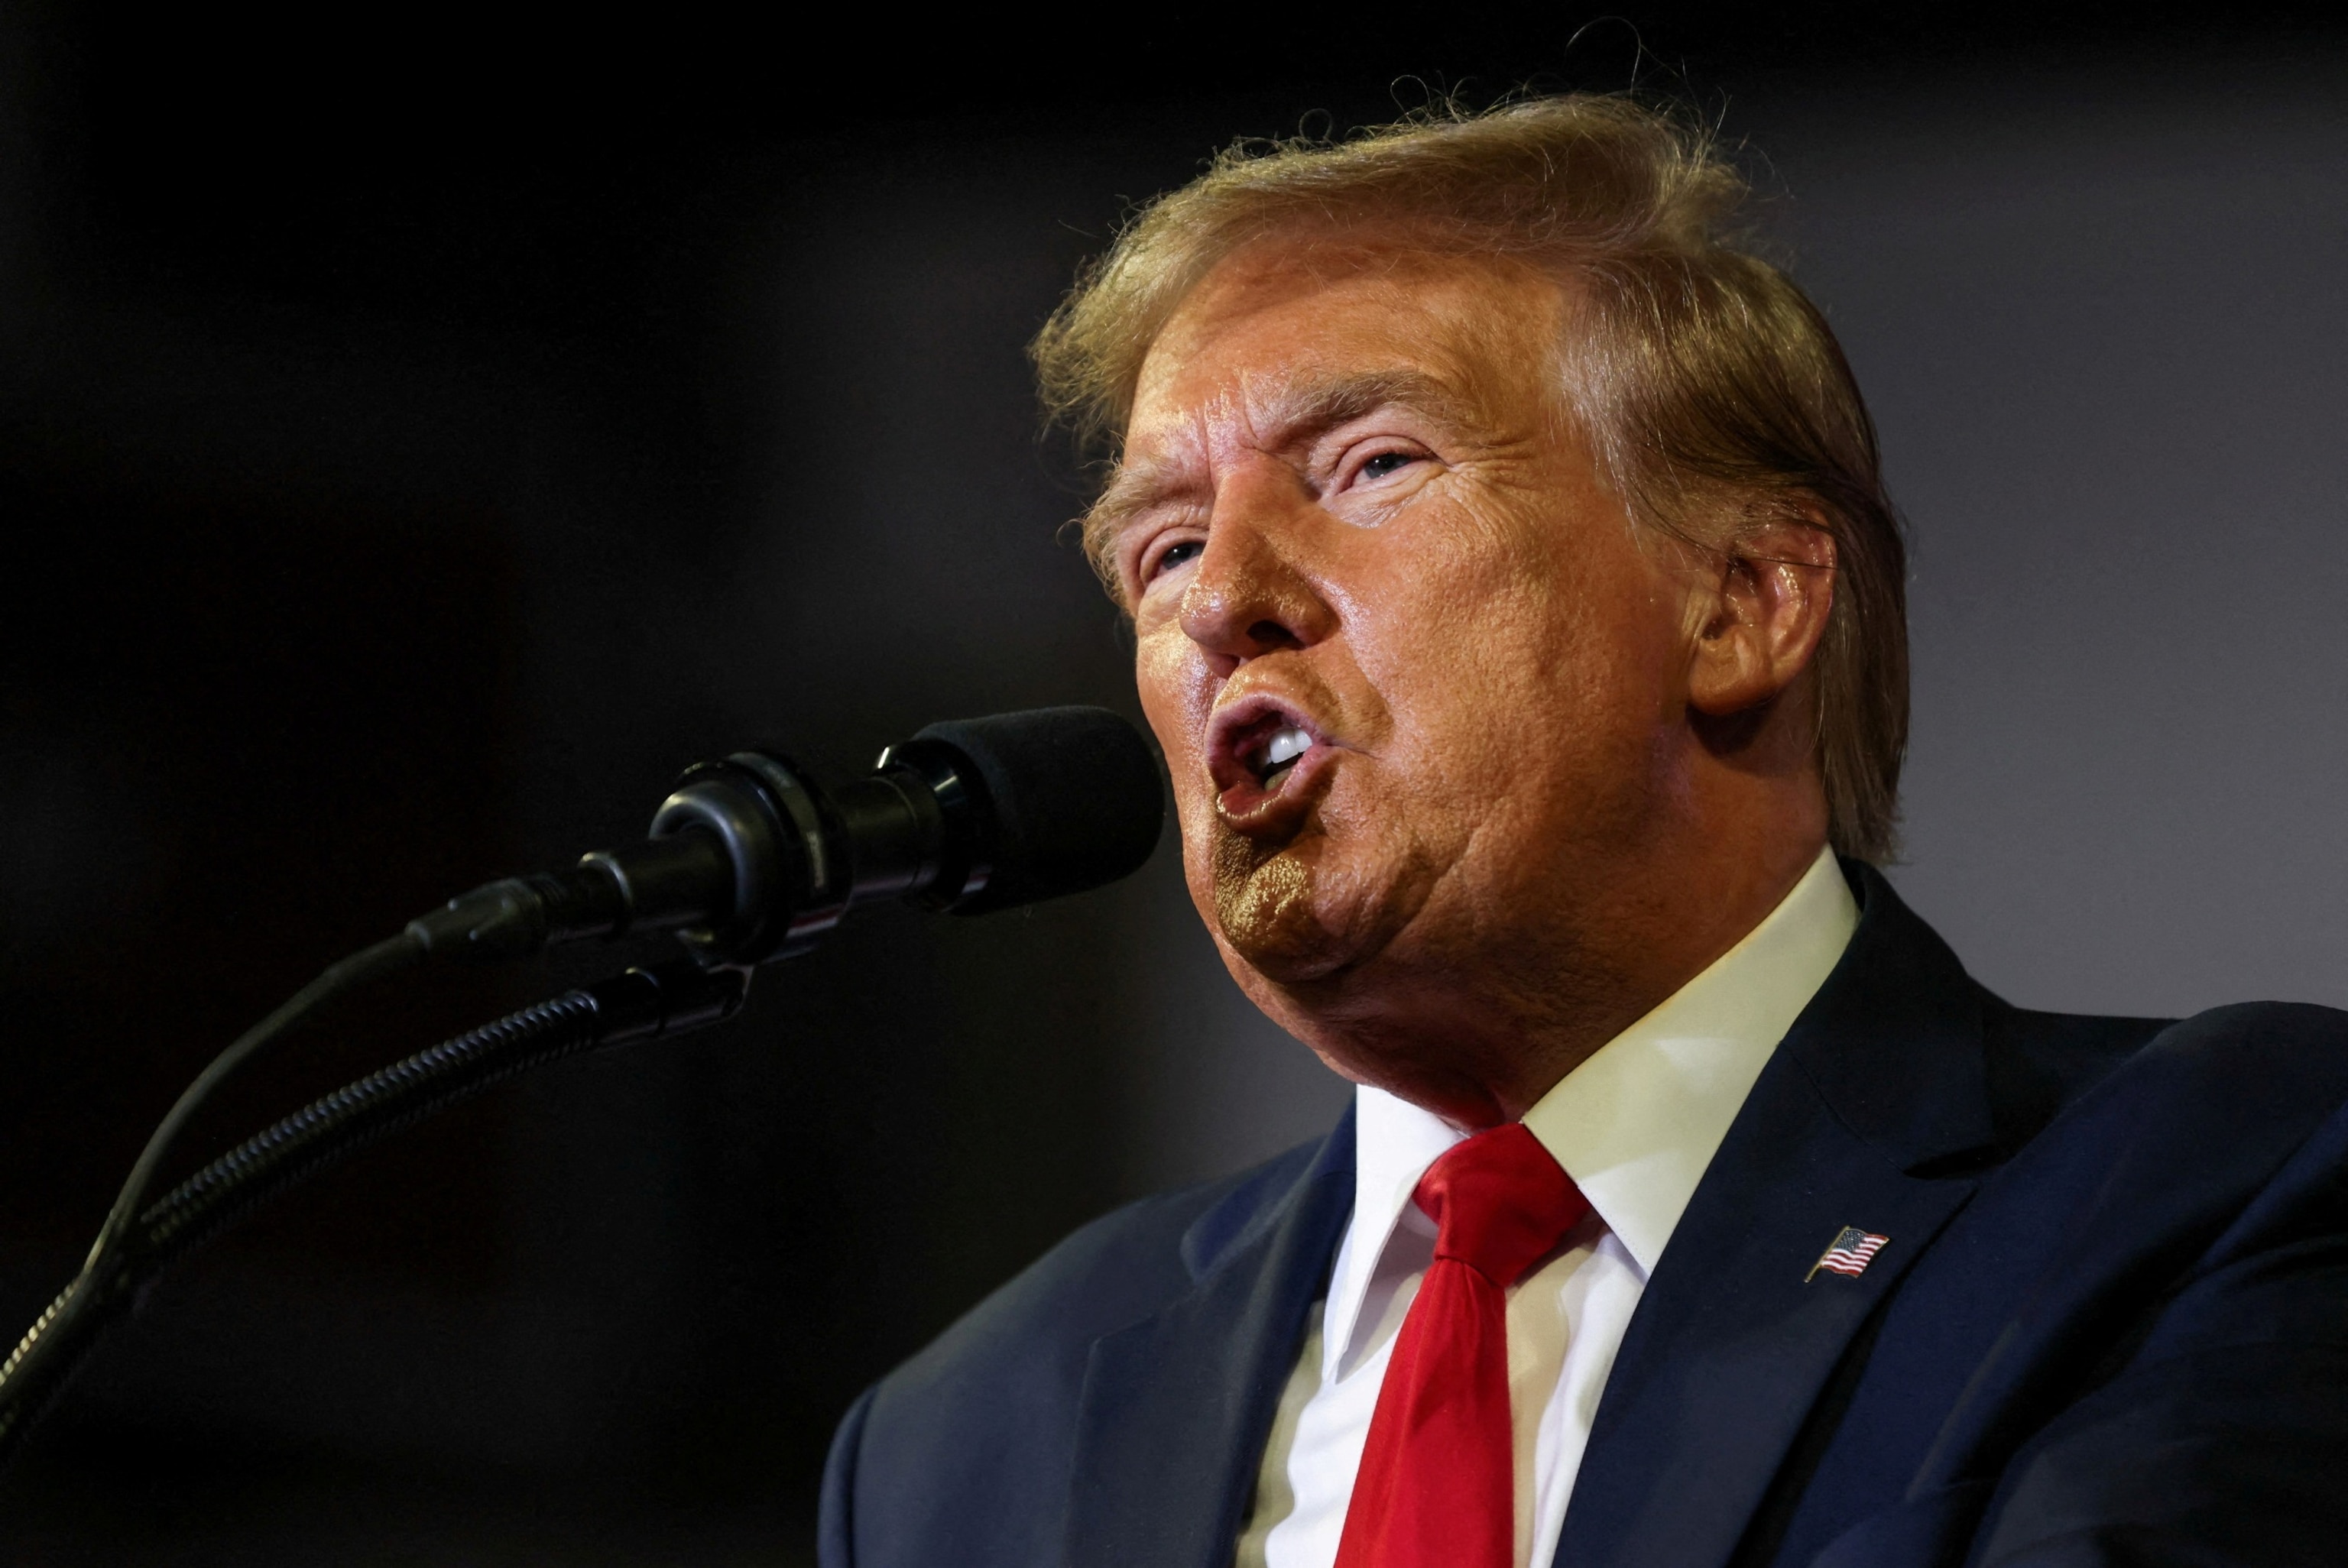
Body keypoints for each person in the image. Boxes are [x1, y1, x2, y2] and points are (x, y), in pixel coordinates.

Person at [816, 96, 2348, 1568]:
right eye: (1162, 548)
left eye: (1372, 467)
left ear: (1741, 602)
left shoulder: (2212, 1188)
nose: (1221, 602)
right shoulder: (969, 1438)